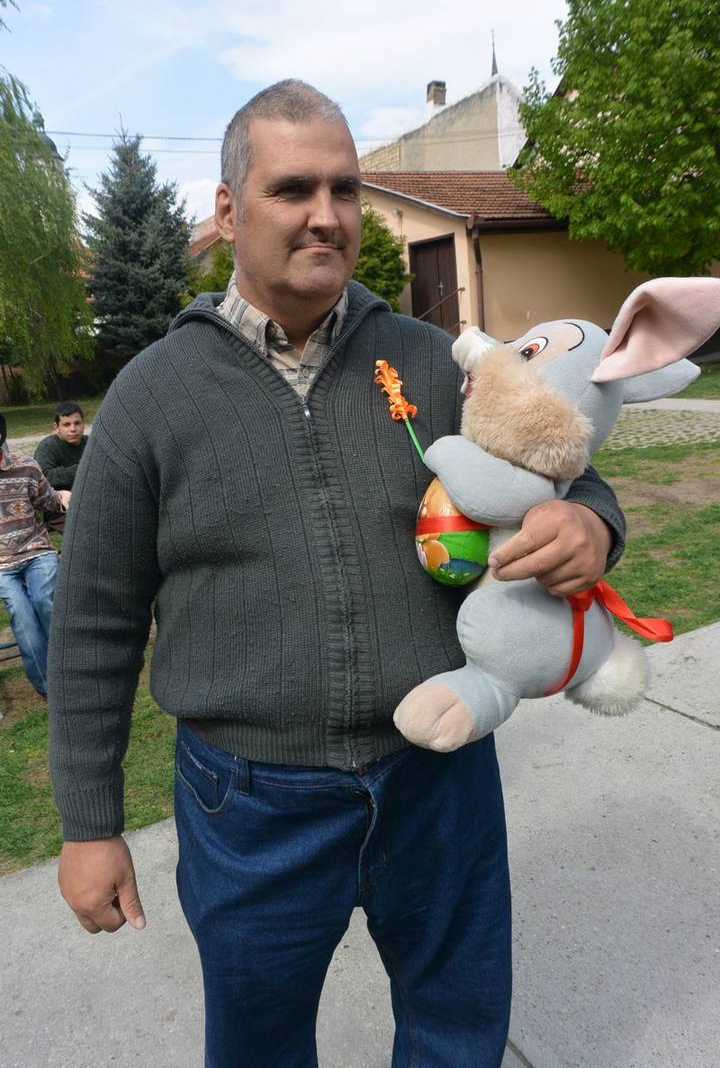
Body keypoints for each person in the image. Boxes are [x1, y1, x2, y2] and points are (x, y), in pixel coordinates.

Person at [48, 81, 625, 1068]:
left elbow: (570, 466)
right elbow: (94, 623)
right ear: (228, 209)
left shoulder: (435, 361)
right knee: (260, 1048)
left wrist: (592, 524)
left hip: (439, 781)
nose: (327, 214)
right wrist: (89, 824)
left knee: (457, 1030)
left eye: (346, 189)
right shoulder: (152, 397)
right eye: (293, 189)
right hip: (251, 807)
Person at [0, 413, 69, 697]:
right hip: (2, 565)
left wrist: (62, 496)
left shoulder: (26, 467)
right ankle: (49, 688)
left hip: (36, 549)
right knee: (22, 615)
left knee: (44, 601)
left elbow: (47, 499)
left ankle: (69, 669)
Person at [34, 401, 88, 534]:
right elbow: (45, 477)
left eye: (77, 423)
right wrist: (84, 469)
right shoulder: (48, 446)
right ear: (56, 427)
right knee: (84, 530)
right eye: (66, 424)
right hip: (58, 507)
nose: (73, 429)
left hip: (88, 500)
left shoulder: (90, 443)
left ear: (83, 424)